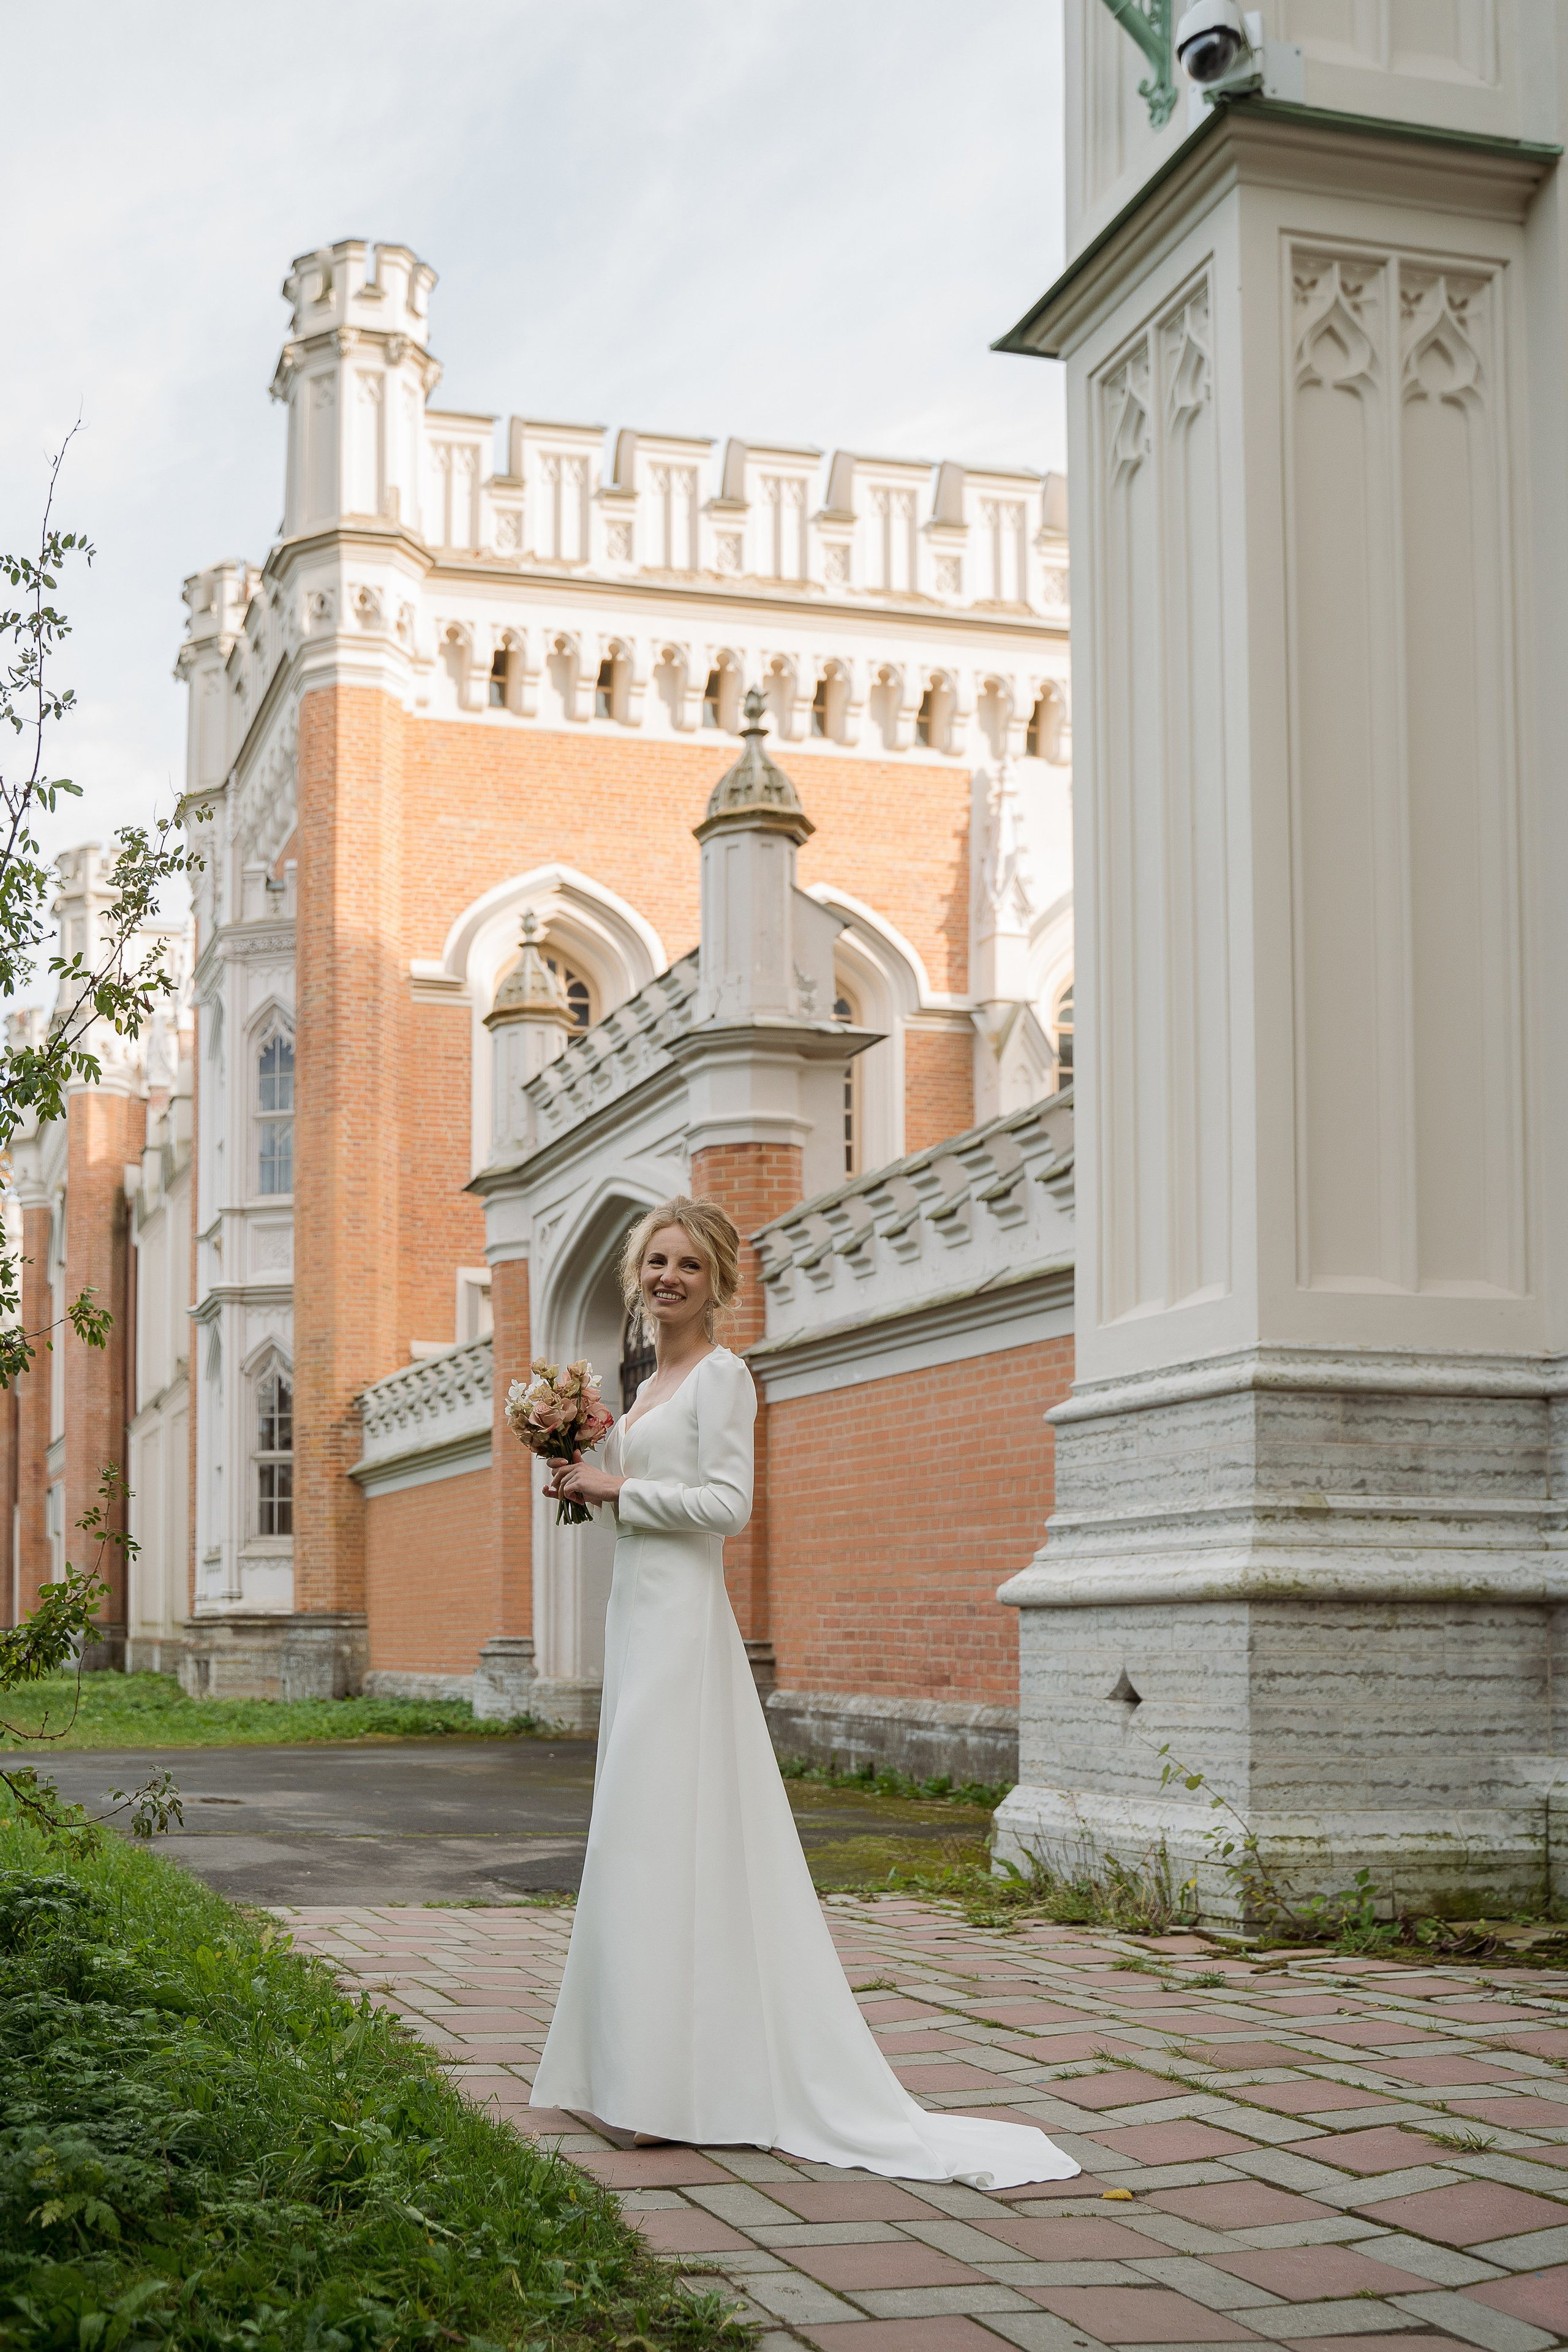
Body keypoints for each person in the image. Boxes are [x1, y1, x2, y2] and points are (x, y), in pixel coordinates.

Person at [530, 1194, 1078, 2188]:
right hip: (640, 1620)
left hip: (687, 1631)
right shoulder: (648, 1381)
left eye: (689, 1266)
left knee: (667, 1838)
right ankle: (632, 2073)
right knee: (639, 1838)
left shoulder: (726, 1376)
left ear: (719, 1283)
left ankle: (661, 2103)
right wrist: (584, 1481)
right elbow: (651, 1514)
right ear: (634, 1275)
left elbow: (727, 1509)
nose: (668, 1279)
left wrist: (617, 1489)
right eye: (656, 1262)